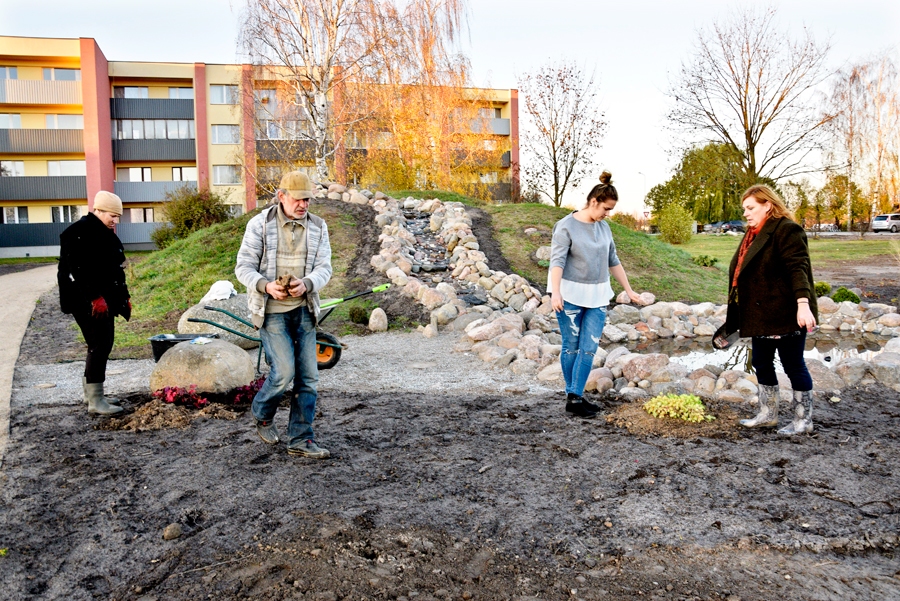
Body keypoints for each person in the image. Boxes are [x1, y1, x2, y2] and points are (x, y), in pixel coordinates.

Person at [235, 171, 333, 458]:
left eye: (308, 199)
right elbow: (243, 267)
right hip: (272, 311)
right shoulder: (260, 225)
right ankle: (262, 411)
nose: (304, 205)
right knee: (284, 373)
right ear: (281, 196)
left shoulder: (318, 227)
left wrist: (308, 283)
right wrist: (266, 286)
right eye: (299, 199)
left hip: (304, 310)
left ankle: (301, 439)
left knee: (308, 378)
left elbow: (325, 267)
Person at [549, 171, 643, 418]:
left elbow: (614, 260)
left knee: (589, 348)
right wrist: (555, 292)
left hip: (598, 295)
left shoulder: (604, 229)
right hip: (569, 295)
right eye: (606, 208)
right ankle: (574, 397)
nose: (607, 214)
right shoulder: (565, 226)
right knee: (571, 346)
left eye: (610, 210)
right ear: (593, 202)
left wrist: (629, 290)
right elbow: (556, 261)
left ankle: (575, 397)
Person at [726, 184, 818, 435]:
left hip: (786, 312)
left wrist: (803, 305)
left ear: (768, 204)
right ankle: (768, 415)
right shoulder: (752, 234)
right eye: (744, 208)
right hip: (760, 314)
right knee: (762, 363)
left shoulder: (787, 230)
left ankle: (803, 420)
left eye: (751, 207)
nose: (746, 213)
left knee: (793, 364)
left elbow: (798, 269)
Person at [58, 191, 131, 416]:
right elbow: (77, 270)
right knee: (100, 344)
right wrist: (94, 298)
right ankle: (95, 401)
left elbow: (114, 270)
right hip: (85, 301)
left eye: (118, 216)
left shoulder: (104, 233)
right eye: (112, 215)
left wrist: (124, 297)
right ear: (97, 210)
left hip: (102, 299)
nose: (115, 221)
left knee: (100, 344)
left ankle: (91, 394)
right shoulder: (78, 233)